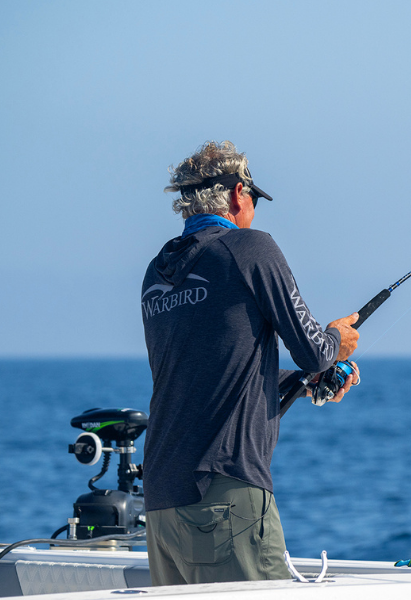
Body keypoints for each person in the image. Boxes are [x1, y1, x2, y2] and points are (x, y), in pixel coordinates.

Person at [140, 141, 360, 585]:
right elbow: (314, 349)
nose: (255, 209)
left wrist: (302, 380)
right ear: (239, 193)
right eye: (255, 198)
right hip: (224, 495)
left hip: (162, 502)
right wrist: (338, 340)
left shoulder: (158, 272)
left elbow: (210, 372)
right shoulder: (250, 248)